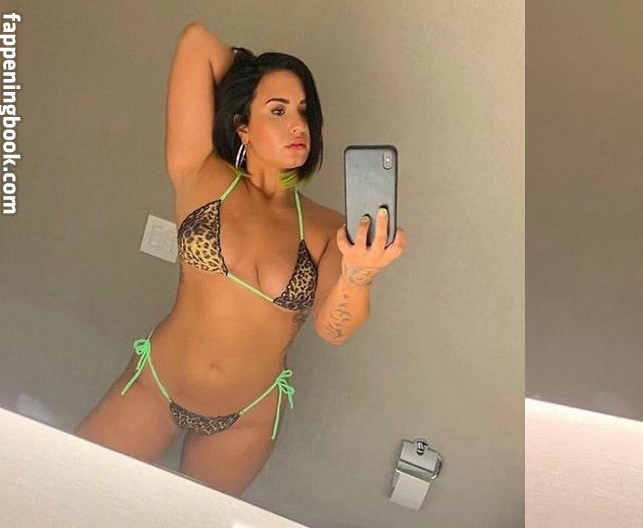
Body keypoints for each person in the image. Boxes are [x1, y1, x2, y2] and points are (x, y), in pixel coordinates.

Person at [75, 21, 406, 495]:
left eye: (305, 111)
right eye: (278, 110)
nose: (298, 125)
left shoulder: (326, 228)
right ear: (242, 125)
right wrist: (251, 74)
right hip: (155, 387)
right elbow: (196, 41)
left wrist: (358, 275)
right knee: (72, 491)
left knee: (192, 521)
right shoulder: (200, 173)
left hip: (245, 419)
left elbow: (334, 331)